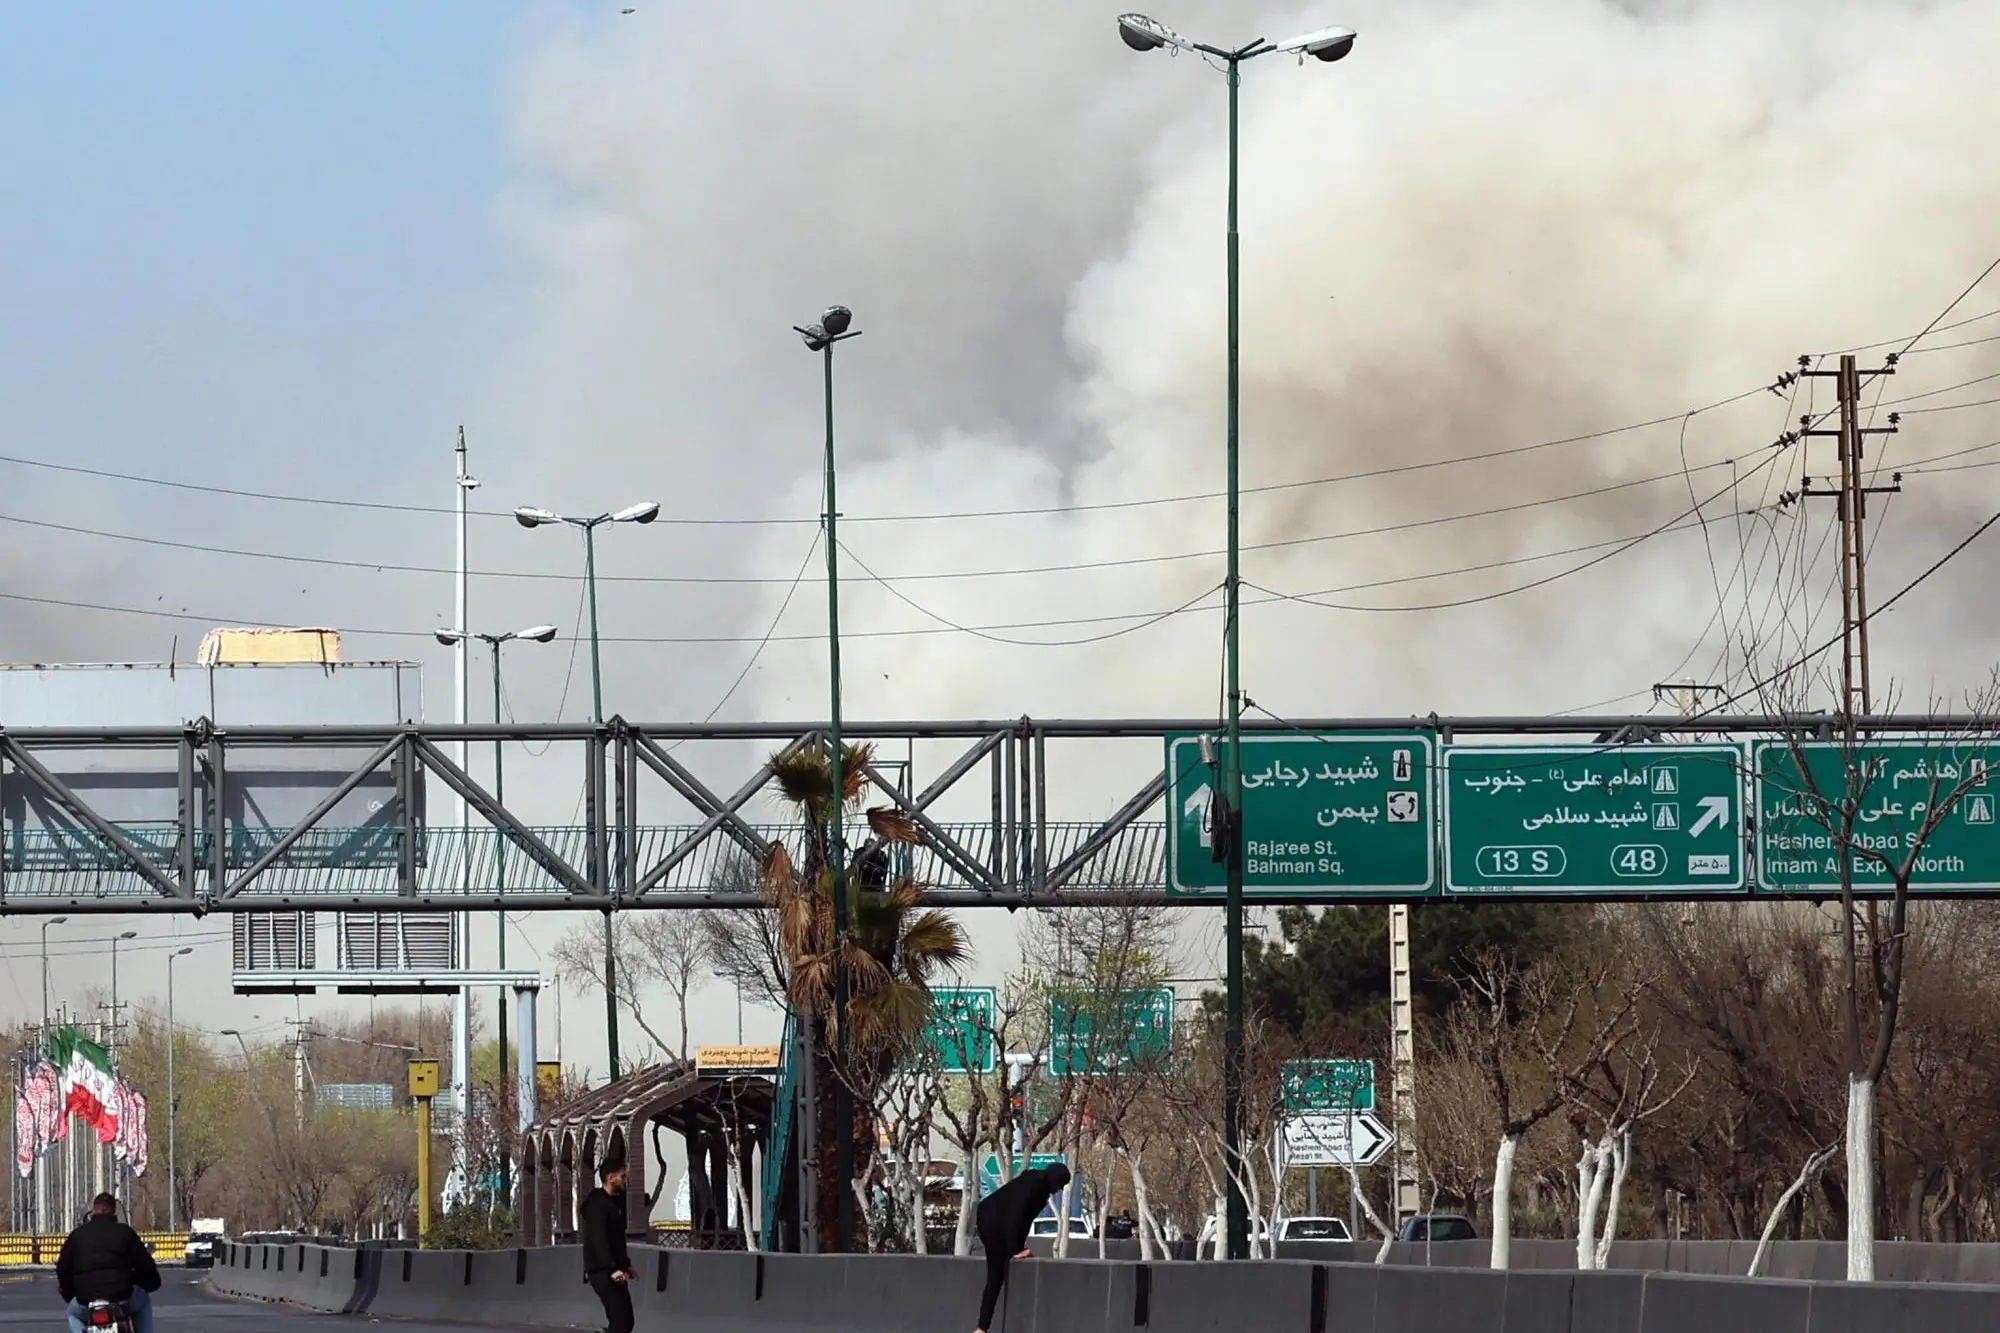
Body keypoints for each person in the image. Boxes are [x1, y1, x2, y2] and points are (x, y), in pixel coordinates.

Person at [973, 1161, 1070, 1333]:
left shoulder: (1037, 1186)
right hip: (993, 1222)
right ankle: (981, 1328)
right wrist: (1015, 1250)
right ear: (1056, 1181)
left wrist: (1019, 1247)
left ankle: (982, 1328)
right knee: (996, 1275)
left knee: (996, 1277)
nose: (1060, 1190)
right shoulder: (1035, 1185)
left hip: (990, 1218)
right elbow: (1015, 1215)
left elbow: (1024, 1222)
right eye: (1061, 1185)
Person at [57, 1194, 160, 1333]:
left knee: (73, 1313)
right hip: (122, 1298)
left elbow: (62, 1269)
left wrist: (70, 1294)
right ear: (114, 1211)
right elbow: (145, 1265)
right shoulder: (125, 1233)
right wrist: (150, 1283)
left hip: (86, 1300)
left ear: (93, 1211)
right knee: (143, 1302)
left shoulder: (77, 1236)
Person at [579, 1161, 636, 1333]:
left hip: (616, 1271)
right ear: (611, 1178)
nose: (625, 1180)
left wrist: (626, 1265)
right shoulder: (597, 1205)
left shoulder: (614, 1202)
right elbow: (599, 1239)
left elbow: (617, 1240)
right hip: (602, 1271)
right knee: (620, 1321)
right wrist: (611, 1268)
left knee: (626, 1321)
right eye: (622, 1176)